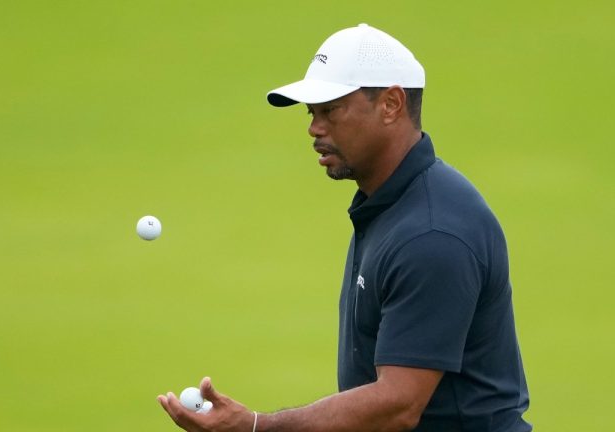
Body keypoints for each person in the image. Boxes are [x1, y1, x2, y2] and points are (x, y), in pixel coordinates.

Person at [158, 23, 532, 432]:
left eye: (331, 110)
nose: (314, 129)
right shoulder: (388, 204)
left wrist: (256, 427)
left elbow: (397, 405)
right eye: (311, 113)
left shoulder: (432, 233)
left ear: (391, 104)